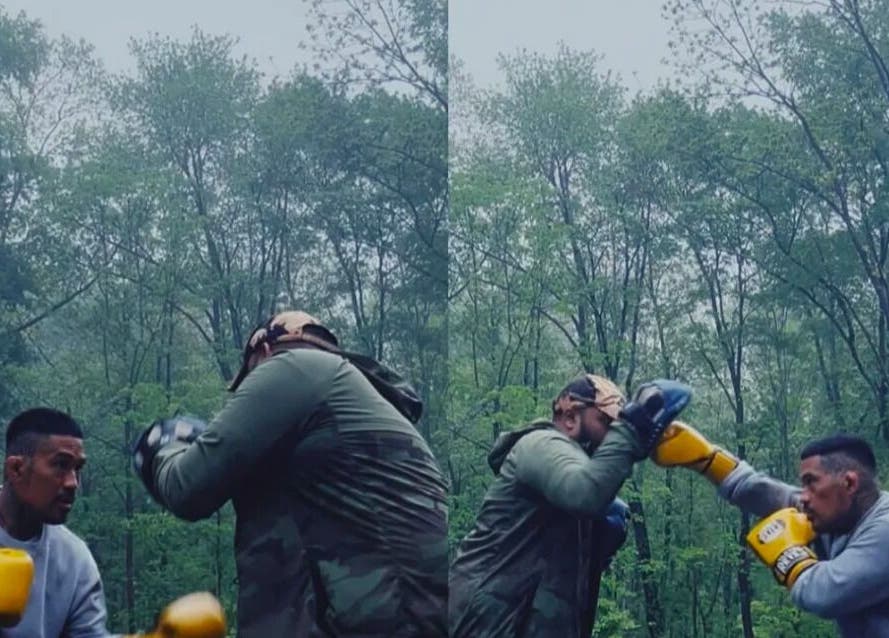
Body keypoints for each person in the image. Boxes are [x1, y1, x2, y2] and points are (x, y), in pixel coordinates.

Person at [132, 310, 449, 637]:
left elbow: (186, 488)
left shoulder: (294, 368)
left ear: (263, 352)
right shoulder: (356, 400)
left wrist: (161, 445)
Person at [448, 374, 690, 638]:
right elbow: (583, 493)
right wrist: (633, 428)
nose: (612, 434)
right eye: (606, 422)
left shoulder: (581, 490)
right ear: (571, 418)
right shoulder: (540, 444)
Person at [653, 424, 889, 637]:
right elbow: (769, 495)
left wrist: (790, 555)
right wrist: (707, 460)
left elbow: (823, 594)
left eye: (811, 482)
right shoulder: (838, 513)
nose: (803, 496)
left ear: (849, 483)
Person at [0, 407, 108, 638]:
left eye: (77, 469)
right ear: (16, 469)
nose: (73, 483)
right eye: (60, 465)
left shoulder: (74, 559)